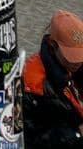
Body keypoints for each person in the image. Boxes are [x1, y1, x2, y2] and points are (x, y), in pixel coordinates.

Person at [23, 10, 83, 147]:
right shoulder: (32, 85)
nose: (78, 62)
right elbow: (28, 139)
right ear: (53, 45)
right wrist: (75, 134)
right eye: (73, 56)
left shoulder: (73, 65)